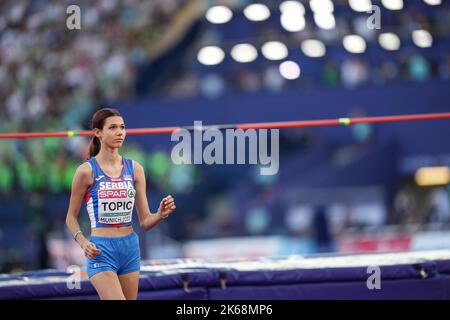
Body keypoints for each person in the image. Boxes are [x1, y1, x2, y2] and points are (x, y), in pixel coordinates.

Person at [65, 108, 176, 300]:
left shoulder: (135, 169)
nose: (120, 132)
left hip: (130, 248)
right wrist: (83, 243)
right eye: (113, 128)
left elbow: (145, 222)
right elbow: (71, 218)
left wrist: (159, 214)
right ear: (98, 132)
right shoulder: (86, 171)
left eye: (122, 127)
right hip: (101, 250)